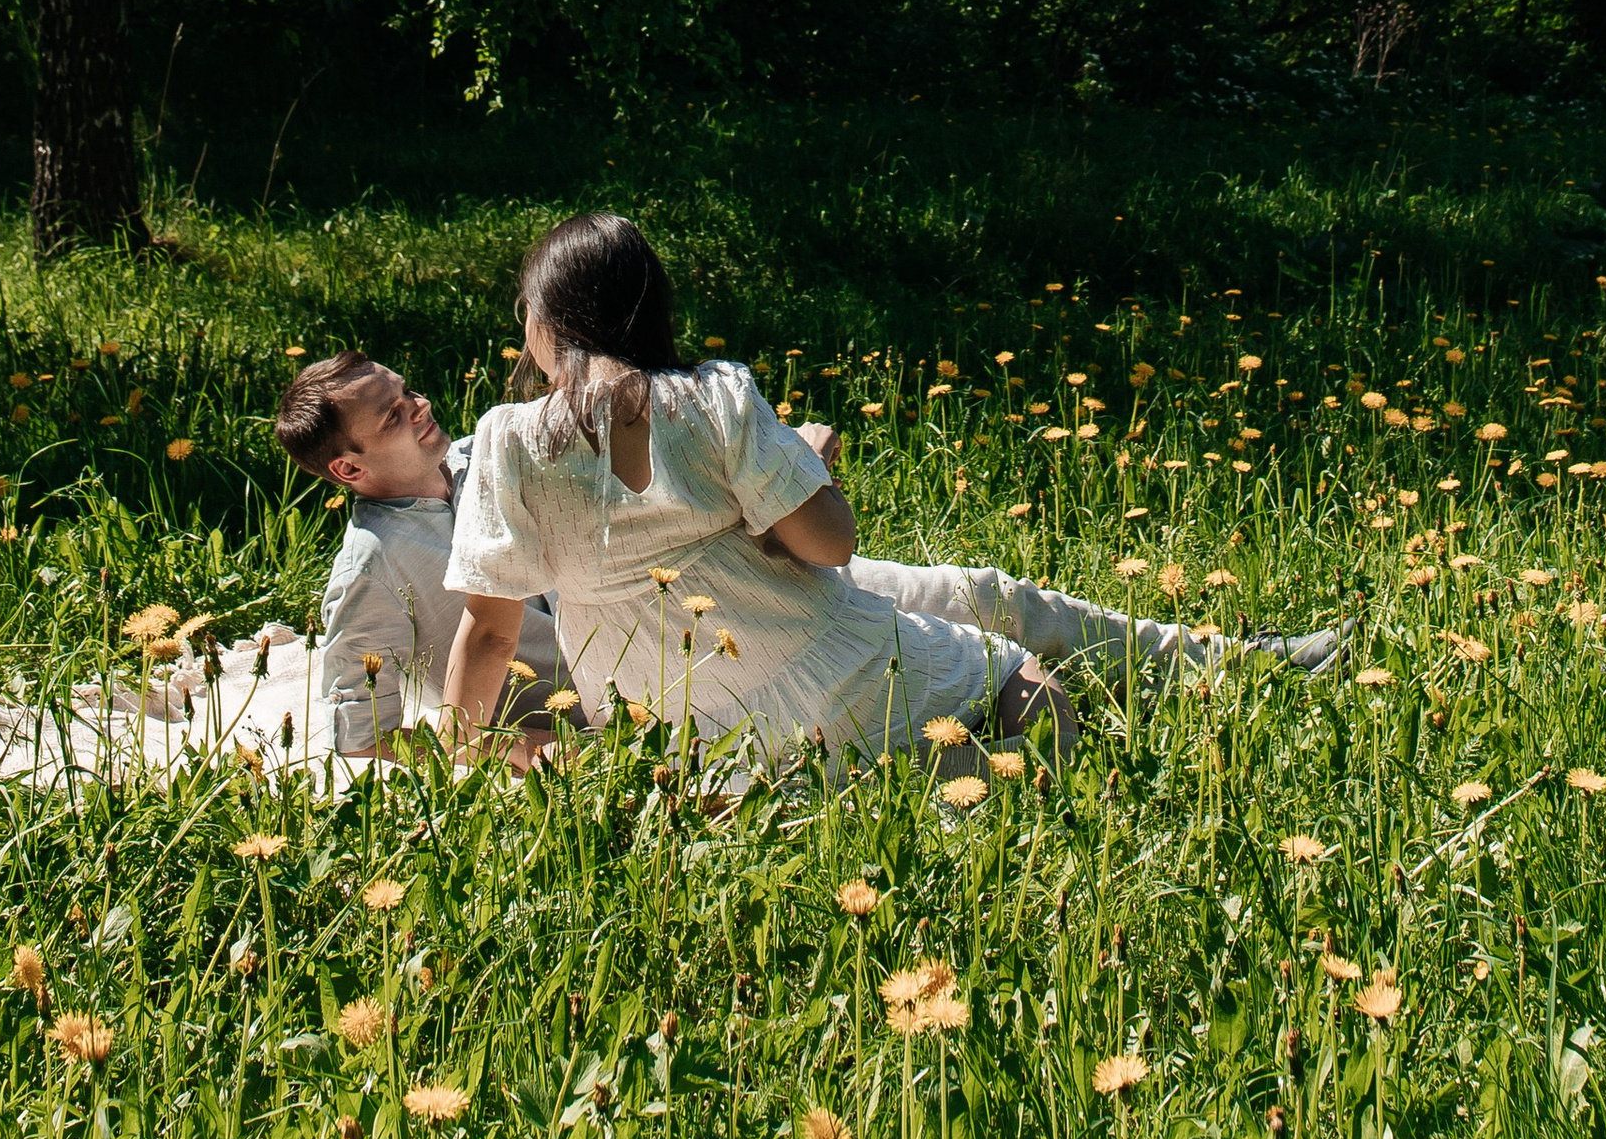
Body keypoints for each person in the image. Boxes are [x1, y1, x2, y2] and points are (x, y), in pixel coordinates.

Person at [436, 211, 1339, 780]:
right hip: (836, 663)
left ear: (549, 325)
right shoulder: (711, 398)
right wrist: (807, 467)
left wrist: (459, 761)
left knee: (973, 606)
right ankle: (1014, 787)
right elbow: (828, 546)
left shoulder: (508, 442)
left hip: (690, 740)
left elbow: (491, 631)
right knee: (1022, 682)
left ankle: (895, 789)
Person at [272, 352, 573, 765]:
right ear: (348, 469)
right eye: (393, 416)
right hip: (574, 726)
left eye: (407, 390)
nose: (421, 404)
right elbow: (361, 737)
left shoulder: (484, 457)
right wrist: (511, 745)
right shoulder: (371, 567)